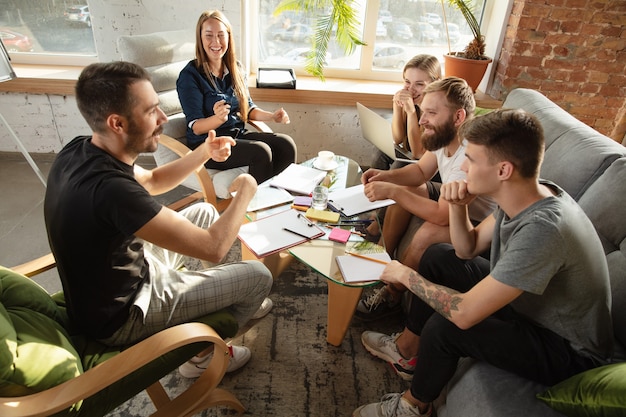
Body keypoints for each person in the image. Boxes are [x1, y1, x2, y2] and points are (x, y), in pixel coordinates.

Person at [353, 109, 614, 417]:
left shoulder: (545, 229)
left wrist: (406, 275)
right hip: (532, 310)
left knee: (448, 325)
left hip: (568, 351)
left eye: (472, 159)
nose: (463, 166)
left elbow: (463, 314)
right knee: (438, 256)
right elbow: (468, 249)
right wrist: (457, 207)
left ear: (503, 170)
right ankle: (406, 352)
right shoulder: (528, 192)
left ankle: (413, 406)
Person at [44, 61, 274, 379]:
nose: (164, 119)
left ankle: (223, 298)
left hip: (109, 286)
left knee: (205, 213)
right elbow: (214, 248)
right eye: (152, 110)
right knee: (259, 277)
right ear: (117, 123)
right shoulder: (112, 191)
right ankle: (202, 356)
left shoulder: (79, 149)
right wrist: (248, 188)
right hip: (124, 315)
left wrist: (204, 151)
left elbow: (152, 181)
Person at [355, 77, 494, 322]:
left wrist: (393, 191)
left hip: (479, 221)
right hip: (454, 203)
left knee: (427, 232)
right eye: (423, 111)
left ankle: (392, 294)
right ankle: (384, 261)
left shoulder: (468, 157)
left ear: (458, 117)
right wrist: (386, 176)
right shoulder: (444, 134)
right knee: (410, 188)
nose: (422, 120)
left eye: (431, 112)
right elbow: (420, 172)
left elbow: (442, 215)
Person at [177, 10, 297, 184]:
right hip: (208, 145)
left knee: (286, 144)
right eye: (209, 36)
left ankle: (282, 202)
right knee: (261, 152)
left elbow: (247, 109)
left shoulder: (235, 68)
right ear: (200, 38)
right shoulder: (190, 76)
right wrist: (218, 119)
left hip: (236, 136)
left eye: (221, 35)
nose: (216, 42)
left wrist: (271, 116)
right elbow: (196, 127)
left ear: (228, 37)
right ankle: (255, 207)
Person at [370, 54, 442, 171]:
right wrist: (397, 106)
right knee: (380, 151)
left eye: (419, 84)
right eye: (408, 82)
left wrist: (411, 113)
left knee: (400, 166)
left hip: (435, 170)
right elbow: (397, 139)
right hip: (416, 159)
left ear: (436, 82)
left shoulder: (438, 111)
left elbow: (418, 154)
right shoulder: (412, 101)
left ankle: (383, 187)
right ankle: (372, 187)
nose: (411, 89)